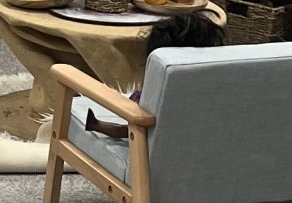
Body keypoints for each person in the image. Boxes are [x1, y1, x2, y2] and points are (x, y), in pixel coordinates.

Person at [82, 13, 220, 140]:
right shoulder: (224, 95)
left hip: (142, 156)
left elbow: (133, 112)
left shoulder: (152, 99)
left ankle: (96, 125)